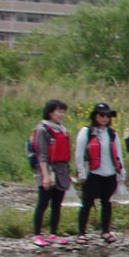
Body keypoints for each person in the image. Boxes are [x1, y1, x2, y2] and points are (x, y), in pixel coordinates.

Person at [72, 102, 124, 243]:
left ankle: (105, 231)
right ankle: (81, 232)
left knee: (107, 203)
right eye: (101, 115)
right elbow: (79, 153)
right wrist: (81, 172)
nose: (104, 118)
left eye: (107, 116)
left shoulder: (112, 134)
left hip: (109, 174)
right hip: (92, 173)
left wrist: (121, 173)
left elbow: (118, 154)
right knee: (87, 203)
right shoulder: (86, 132)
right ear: (95, 116)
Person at [30, 100, 74, 246]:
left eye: (63, 111)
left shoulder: (62, 129)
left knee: (57, 204)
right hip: (47, 169)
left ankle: (53, 234)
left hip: (61, 169)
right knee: (43, 202)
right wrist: (46, 176)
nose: (62, 114)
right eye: (59, 111)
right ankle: (36, 234)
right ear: (50, 113)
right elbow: (42, 155)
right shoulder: (42, 130)